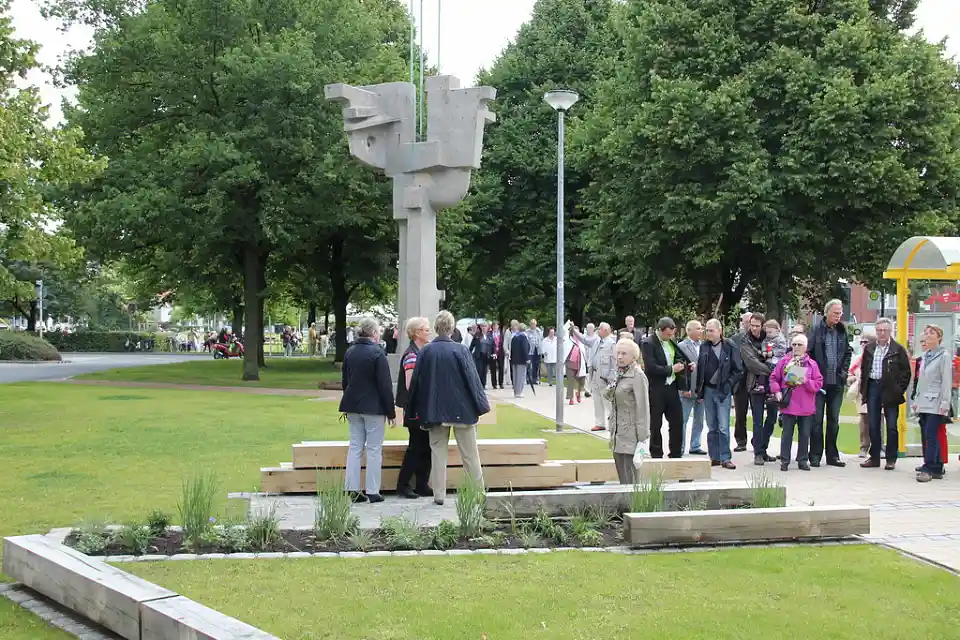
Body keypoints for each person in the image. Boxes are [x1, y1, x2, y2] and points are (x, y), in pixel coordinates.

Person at [406, 311, 489, 505]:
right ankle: (478, 493)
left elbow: (417, 383)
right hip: (462, 410)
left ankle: (439, 495)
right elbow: (473, 381)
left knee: (438, 454)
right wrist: (480, 406)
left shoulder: (426, 351)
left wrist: (413, 410)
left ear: (436, 328)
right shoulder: (461, 350)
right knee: (470, 455)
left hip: (435, 410)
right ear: (452, 328)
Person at [338, 317, 395, 503]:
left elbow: (345, 381)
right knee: (373, 449)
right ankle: (372, 490)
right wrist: (391, 412)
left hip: (353, 404)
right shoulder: (378, 353)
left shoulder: (350, 351)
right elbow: (385, 385)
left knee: (355, 447)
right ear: (373, 333)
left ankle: (352, 488)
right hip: (374, 407)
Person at [858, 317, 911, 471]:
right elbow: (864, 370)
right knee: (873, 424)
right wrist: (864, 389)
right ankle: (874, 457)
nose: (882, 333)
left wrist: (898, 389)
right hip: (873, 386)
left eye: (885, 330)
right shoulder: (869, 348)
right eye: (879, 330)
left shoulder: (897, 349)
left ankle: (891, 458)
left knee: (892, 425)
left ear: (890, 331)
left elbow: (906, 372)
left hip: (890, 389)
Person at [808, 299, 853, 467]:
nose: (838, 316)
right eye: (835, 313)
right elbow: (808, 353)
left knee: (834, 419)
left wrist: (844, 373)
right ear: (826, 313)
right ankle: (815, 455)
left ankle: (833, 456)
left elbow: (848, 352)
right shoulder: (816, 330)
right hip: (819, 385)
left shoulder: (842, 331)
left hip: (837, 383)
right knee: (817, 420)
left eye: (840, 313)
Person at [769, 334, 823, 471]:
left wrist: (806, 381)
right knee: (787, 433)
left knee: (805, 434)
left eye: (799, 345)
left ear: (805, 347)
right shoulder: (784, 362)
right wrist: (777, 391)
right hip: (789, 404)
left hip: (806, 405)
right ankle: (785, 460)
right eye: (794, 344)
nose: (796, 347)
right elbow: (774, 378)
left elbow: (818, 384)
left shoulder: (812, 364)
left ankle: (802, 460)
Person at [696, 319, 743, 470]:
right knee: (711, 425)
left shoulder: (729, 346)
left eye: (711, 330)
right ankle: (714, 456)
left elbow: (738, 370)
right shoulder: (704, 347)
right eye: (707, 330)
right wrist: (700, 392)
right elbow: (701, 370)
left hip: (723, 390)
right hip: (708, 389)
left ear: (719, 330)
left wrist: (728, 384)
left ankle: (725, 457)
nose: (708, 333)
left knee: (723, 426)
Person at [603, 338, 651, 484]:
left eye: (624, 353)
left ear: (633, 356)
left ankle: (633, 506)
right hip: (617, 432)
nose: (620, 357)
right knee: (621, 477)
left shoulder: (637, 376)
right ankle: (624, 506)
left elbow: (643, 407)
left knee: (631, 479)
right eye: (618, 353)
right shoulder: (619, 373)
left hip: (631, 433)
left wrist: (642, 437)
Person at [395, 316, 432, 499]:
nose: (429, 332)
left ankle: (422, 484)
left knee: (426, 447)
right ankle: (403, 484)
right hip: (415, 410)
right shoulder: (412, 355)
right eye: (426, 329)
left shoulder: (421, 352)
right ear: (417, 333)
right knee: (416, 447)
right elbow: (410, 385)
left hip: (422, 409)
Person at [641, 317, 687, 458]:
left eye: (672, 334)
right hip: (656, 388)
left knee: (677, 421)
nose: (671, 336)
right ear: (660, 330)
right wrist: (672, 369)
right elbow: (651, 367)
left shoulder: (671, 341)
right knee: (656, 423)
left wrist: (683, 365)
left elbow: (679, 357)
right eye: (668, 334)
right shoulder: (648, 343)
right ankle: (656, 453)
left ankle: (676, 452)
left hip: (671, 387)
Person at [912, 324, 952, 483]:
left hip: (936, 402)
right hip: (924, 402)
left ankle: (929, 467)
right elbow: (921, 382)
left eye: (931, 333)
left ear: (939, 337)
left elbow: (946, 382)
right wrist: (916, 401)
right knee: (928, 433)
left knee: (931, 434)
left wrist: (945, 404)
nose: (927, 335)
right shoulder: (926, 355)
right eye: (926, 332)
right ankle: (936, 465)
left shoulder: (944, 356)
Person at [740, 313, 778, 466]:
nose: (754, 328)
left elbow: (780, 354)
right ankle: (758, 453)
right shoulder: (745, 341)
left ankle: (763, 447)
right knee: (757, 419)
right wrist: (772, 370)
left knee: (772, 417)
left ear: (762, 325)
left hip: (773, 385)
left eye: (757, 325)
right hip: (755, 384)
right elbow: (751, 363)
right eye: (752, 325)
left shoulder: (770, 338)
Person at [846, 330, 877, 458]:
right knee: (864, 422)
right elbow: (850, 373)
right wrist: (851, 379)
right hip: (862, 394)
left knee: (877, 422)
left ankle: (878, 447)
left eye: (866, 342)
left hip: (876, 393)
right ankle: (864, 447)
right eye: (862, 342)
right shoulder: (859, 359)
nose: (863, 344)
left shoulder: (878, 356)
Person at [678, 320, 706, 455]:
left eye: (702, 328)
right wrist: (683, 389)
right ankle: (680, 446)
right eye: (699, 328)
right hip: (687, 390)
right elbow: (679, 370)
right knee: (682, 419)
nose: (702, 330)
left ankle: (695, 445)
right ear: (690, 331)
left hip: (700, 390)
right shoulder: (681, 346)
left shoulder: (705, 346)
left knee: (699, 419)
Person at [588, 323, 616, 432]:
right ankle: (599, 423)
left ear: (606, 330)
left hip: (605, 377)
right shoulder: (597, 341)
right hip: (595, 374)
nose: (597, 330)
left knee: (607, 401)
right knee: (596, 399)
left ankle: (612, 423)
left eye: (599, 329)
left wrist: (611, 377)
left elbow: (614, 362)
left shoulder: (611, 343)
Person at [562, 323, 588, 405]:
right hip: (570, 363)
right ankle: (571, 398)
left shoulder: (582, 343)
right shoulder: (568, 341)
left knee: (581, 382)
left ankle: (578, 394)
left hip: (580, 364)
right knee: (570, 381)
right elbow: (564, 352)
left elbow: (585, 353)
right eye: (574, 332)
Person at [509, 320, 530, 398]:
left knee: (515, 376)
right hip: (521, 360)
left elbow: (512, 349)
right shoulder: (523, 337)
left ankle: (515, 391)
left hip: (514, 360)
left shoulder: (514, 337)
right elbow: (525, 348)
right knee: (520, 376)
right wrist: (527, 358)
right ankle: (519, 392)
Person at [469, 323, 494, 388]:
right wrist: (469, 353)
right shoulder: (477, 335)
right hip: (479, 355)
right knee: (479, 369)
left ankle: (483, 383)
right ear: (480, 327)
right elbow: (472, 345)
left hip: (486, 355)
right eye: (482, 326)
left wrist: (494, 353)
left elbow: (493, 345)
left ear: (487, 327)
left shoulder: (490, 336)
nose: (484, 328)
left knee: (484, 370)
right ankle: (479, 384)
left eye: (485, 326)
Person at [490, 322, 505, 390]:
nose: (495, 327)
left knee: (501, 368)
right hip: (493, 353)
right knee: (493, 368)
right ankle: (494, 384)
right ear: (492, 327)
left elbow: (503, 343)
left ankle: (501, 383)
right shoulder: (490, 334)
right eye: (494, 326)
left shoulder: (501, 334)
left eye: (496, 326)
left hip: (500, 353)